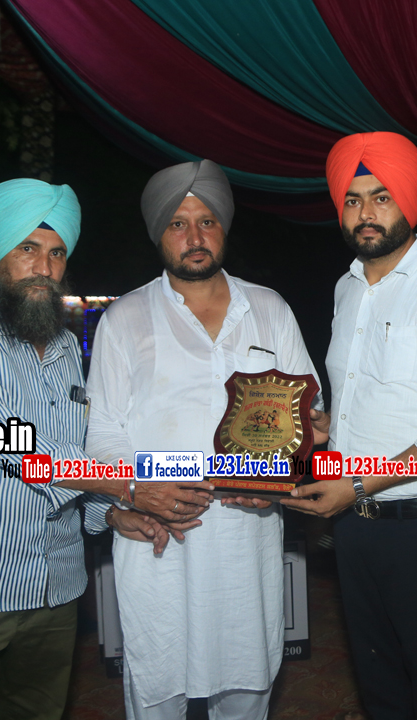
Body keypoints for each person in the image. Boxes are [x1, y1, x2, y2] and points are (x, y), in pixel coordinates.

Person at [0, 179, 205, 720]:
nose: (44, 268)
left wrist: (109, 514)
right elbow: (10, 441)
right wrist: (131, 487)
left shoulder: (67, 346)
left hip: (55, 589)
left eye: (57, 253)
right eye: (28, 249)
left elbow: (74, 450)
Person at [84, 160, 325, 720]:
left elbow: (309, 418)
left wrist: (280, 480)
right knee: (158, 688)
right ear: (158, 234)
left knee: (247, 686)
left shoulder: (268, 308)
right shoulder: (125, 318)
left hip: (247, 540)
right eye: (178, 223)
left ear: (224, 228)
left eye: (207, 221)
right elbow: (102, 435)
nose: (194, 237)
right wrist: (138, 491)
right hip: (159, 541)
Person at [282, 131, 417, 720]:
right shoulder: (346, 288)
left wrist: (357, 483)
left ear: (410, 203)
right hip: (355, 529)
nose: (366, 212)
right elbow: (362, 400)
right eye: (353, 200)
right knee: (380, 688)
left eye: (381, 197)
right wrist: (323, 428)